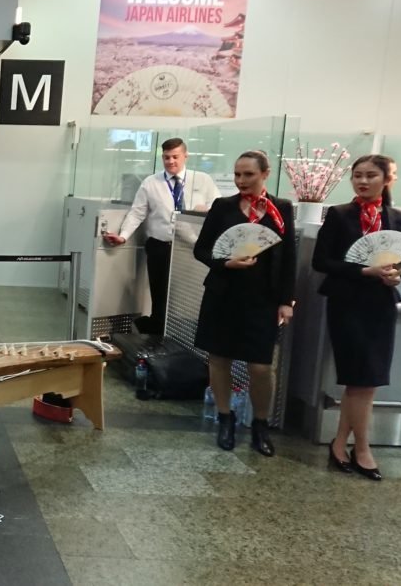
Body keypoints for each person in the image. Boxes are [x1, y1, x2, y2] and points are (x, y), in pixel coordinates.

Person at [192, 151, 296, 456]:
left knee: (261, 366)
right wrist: (226, 263)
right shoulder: (222, 207)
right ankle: (226, 417)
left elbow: (288, 256)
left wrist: (286, 300)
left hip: (263, 298)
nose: (241, 181)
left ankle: (261, 425)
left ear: (265, 173)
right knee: (219, 359)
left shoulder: (281, 209)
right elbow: (202, 250)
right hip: (223, 294)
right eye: (237, 175)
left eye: (248, 175)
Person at [312, 154, 401, 481]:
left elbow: (396, 262)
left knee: (367, 381)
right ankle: (363, 448)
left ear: (386, 180)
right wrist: (363, 270)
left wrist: (394, 276)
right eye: (357, 176)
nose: (363, 182)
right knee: (360, 379)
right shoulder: (339, 215)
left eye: (370, 176)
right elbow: (321, 261)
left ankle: (341, 443)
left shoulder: (397, 217)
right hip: (347, 303)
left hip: (381, 304)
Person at [104, 138, 221, 334]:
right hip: (160, 246)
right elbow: (137, 212)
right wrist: (123, 236)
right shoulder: (151, 183)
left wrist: (205, 210)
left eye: (175, 157)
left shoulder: (202, 180)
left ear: (185, 156)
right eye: (166, 157)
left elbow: (218, 209)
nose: (171, 161)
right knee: (159, 293)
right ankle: (157, 333)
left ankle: (184, 332)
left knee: (185, 293)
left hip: (191, 247)